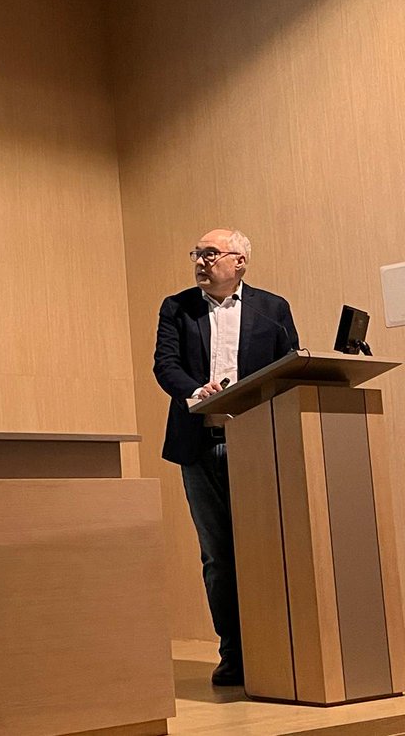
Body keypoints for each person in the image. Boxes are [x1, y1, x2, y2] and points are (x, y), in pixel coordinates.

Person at [153, 228, 299, 688]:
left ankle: (275, 647)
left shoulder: (272, 309)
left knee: (266, 550)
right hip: (199, 445)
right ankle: (232, 653)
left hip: (259, 442)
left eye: (210, 253)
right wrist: (196, 392)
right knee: (218, 556)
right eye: (196, 253)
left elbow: (291, 364)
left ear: (239, 262)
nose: (200, 261)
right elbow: (165, 364)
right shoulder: (177, 307)